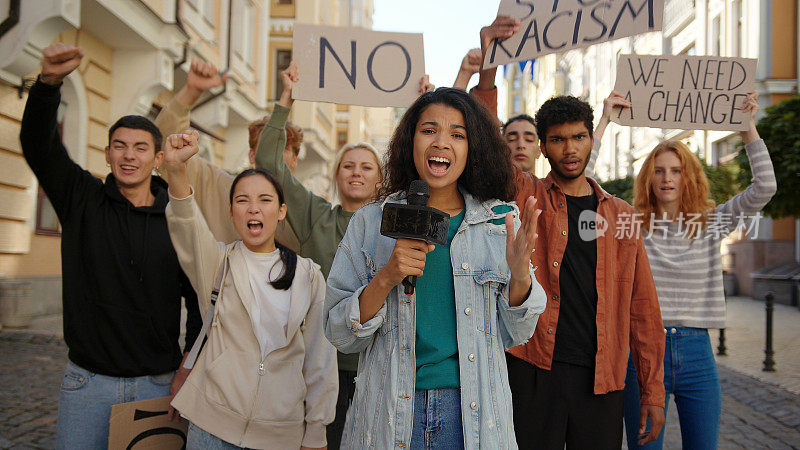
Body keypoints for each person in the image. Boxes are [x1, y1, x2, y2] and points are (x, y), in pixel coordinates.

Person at [324, 87, 547, 448]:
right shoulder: (369, 222)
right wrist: (386, 277)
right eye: (429, 130)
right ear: (410, 141)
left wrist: (520, 274)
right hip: (390, 414)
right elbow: (340, 334)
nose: (442, 142)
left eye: (457, 134)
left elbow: (517, 332)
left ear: (472, 147)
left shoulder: (498, 221)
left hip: (472, 417)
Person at [19, 43, 201, 449]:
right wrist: (48, 84)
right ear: (107, 154)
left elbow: (201, 304)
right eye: (119, 146)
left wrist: (188, 367)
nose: (128, 156)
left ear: (157, 158)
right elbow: (39, 147)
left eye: (140, 148)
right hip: (87, 384)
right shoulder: (81, 199)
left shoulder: (180, 216)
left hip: (157, 385)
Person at [256, 62, 433, 449]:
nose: (356, 172)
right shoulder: (315, 216)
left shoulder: (402, 221)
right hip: (319, 368)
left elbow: (431, 164)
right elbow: (270, 164)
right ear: (336, 176)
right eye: (348, 166)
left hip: (382, 366)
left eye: (367, 166)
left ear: (380, 177)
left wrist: (423, 112)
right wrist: (285, 99)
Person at [605, 91, 776, 449]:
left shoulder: (712, 223)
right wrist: (605, 121)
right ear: (649, 178)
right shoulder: (631, 225)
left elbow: (765, 187)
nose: (667, 179)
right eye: (659, 171)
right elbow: (585, 196)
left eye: (677, 171)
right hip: (644, 354)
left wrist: (748, 130)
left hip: (698, 353)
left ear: (689, 177)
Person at [504, 95, 666, 449]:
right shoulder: (527, 194)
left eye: (578, 137)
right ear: (543, 147)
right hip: (534, 369)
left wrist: (653, 393)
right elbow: (482, 145)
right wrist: (485, 78)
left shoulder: (621, 214)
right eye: (558, 140)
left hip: (600, 379)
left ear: (592, 140)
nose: (570, 148)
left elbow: (643, 308)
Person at [163, 130, 337, 449]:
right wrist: (175, 170)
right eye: (242, 200)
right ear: (232, 214)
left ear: (281, 212)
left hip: (279, 434)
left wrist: (316, 432)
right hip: (211, 428)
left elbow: (320, 360)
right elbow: (186, 223)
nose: (253, 209)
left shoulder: (309, 276)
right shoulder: (218, 262)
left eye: (265, 200)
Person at [153, 58, 303, 251]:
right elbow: (168, 151)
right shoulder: (217, 186)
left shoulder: (306, 211)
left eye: (281, 148)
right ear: (251, 155)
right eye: (265, 147)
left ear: (295, 159)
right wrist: (191, 93)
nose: (271, 155)